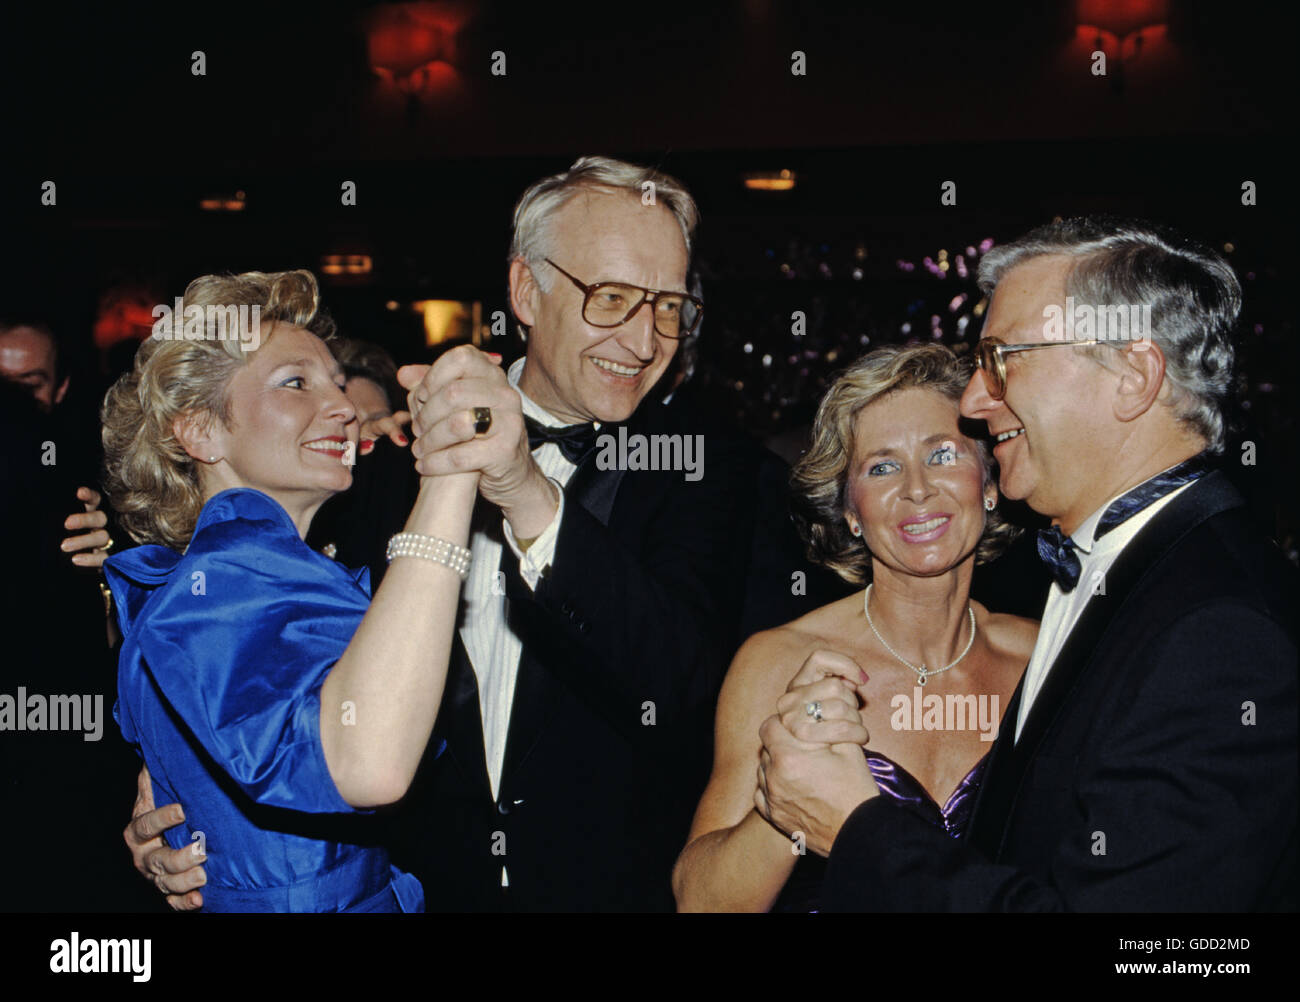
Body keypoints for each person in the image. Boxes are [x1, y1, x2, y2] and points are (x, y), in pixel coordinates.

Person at [127, 157, 821, 912]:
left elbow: (688, 695)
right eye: (612, 297)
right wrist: (180, 809)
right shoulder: (374, 474)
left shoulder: (719, 470)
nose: (644, 338)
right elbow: (275, 680)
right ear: (527, 290)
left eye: (666, 306)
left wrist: (526, 491)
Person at [757, 218, 1298, 911]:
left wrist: (857, 829)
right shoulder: (1130, 581)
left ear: (1132, 377)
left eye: (1004, 359)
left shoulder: (1221, 632)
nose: (977, 401)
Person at [100, 269, 482, 911]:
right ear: (201, 432)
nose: (343, 406)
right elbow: (370, 767)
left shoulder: (259, 577)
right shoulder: (217, 591)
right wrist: (453, 466)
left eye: (338, 384)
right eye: (295, 383)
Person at [674, 343, 1037, 911]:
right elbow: (702, 902)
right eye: (883, 467)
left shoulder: (1042, 658)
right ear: (850, 510)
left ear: (989, 484)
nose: (916, 488)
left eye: (943, 454)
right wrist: (787, 792)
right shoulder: (781, 662)